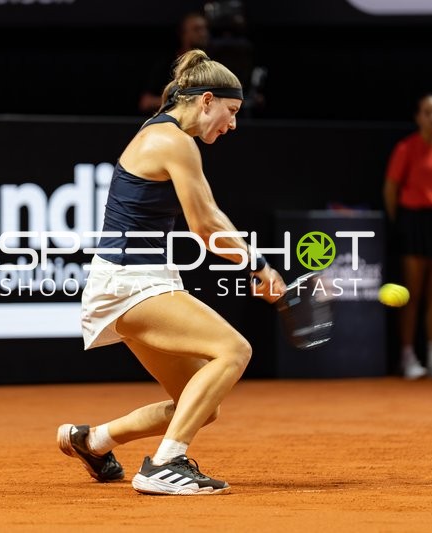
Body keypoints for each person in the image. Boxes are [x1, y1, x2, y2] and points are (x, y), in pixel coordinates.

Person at [59, 49, 287, 496]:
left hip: (136, 280)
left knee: (200, 404)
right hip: (131, 282)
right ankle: (166, 463)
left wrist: (256, 264)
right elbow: (205, 227)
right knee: (234, 350)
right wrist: (258, 265)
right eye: (231, 111)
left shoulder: (169, 136)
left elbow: (212, 216)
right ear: (206, 100)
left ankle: (93, 441)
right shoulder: (172, 141)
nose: (233, 124)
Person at [383, 93, 432, 380]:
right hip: (414, 221)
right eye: (428, 112)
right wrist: (400, 222)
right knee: (412, 294)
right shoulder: (406, 149)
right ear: (418, 117)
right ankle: (407, 357)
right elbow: (391, 190)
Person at [138, 12, 210, 116]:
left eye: (205, 29)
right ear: (183, 34)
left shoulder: (213, 64)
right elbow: (146, 102)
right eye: (197, 29)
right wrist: (183, 102)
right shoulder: (166, 65)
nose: (203, 33)